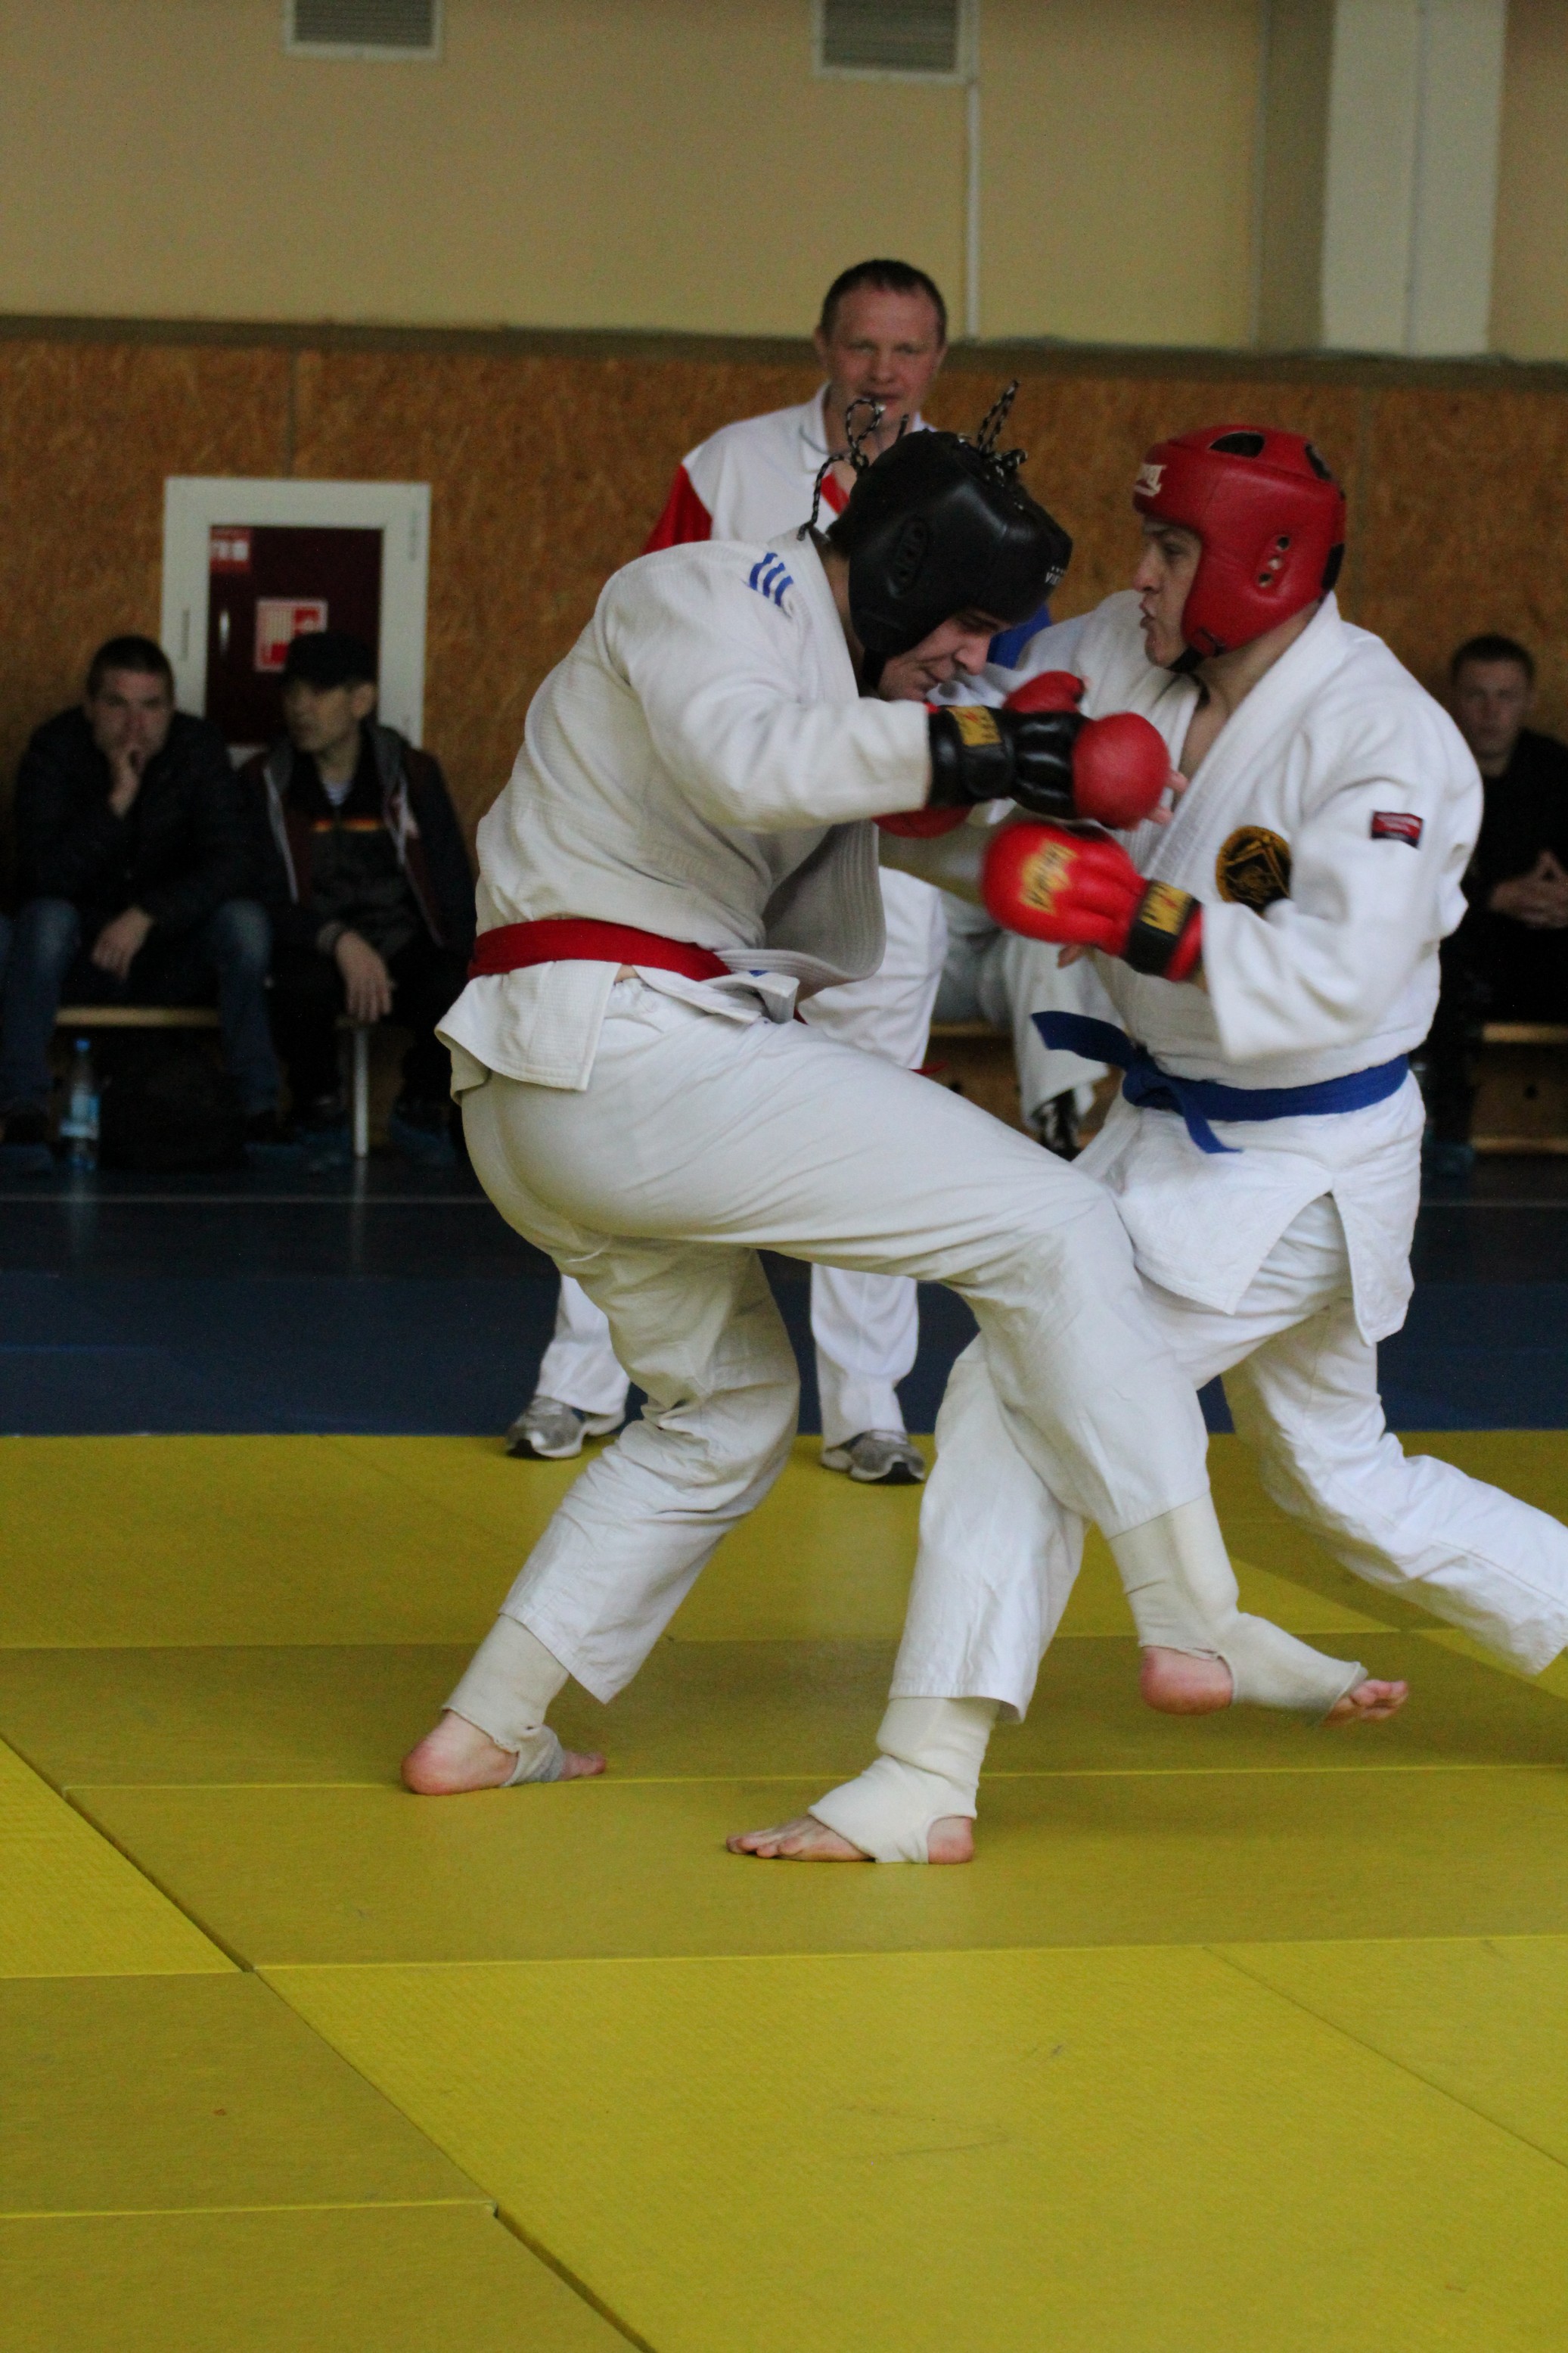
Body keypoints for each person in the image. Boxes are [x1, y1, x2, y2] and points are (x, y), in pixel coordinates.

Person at [402, 406, 1403, 1859]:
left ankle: (489, 1723)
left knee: (725, 1412)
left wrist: (1039, 827)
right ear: (899, 572)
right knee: (1058, 1224)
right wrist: (995, 738)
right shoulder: (707, 592)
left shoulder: (835, 699)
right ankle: (1193, 1613)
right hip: (623, 1046)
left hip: (550, 1095)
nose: (969, 659)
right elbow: (756, 760)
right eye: (966, 630)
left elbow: (891, 814)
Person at [783, 424, 1568, 1863]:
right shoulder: (1124, 648)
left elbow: (1340, 972)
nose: (1137, 575)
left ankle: (925, 1771)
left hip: (1297, 1161)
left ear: (1262, 563)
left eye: (1169, 550)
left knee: (1017, 1390)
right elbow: (982, 736)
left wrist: (1133, 917)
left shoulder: (1381, 737)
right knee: (1341, 1478)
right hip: (1167, 1126)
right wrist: (962, 766)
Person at [510, 261, 995, 1482]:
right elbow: (652, 622)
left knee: (876, 1109)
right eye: (863, 346)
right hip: (719, 836)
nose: (882, 372)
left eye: (907, 350)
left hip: (880, 831)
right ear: (821, 346)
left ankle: (868, 1403)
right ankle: (577, 1382)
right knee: (640, 1099)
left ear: (937, 362)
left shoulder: (966, 489)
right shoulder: (727, 466)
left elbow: (975, 673)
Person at [0, 635, 278, 1149]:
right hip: (79, 955)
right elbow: (39, 876)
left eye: (151, 707)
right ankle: (22, 1107)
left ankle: (258, 1106)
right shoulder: (55, 749)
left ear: (171, 709)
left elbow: (235, 863)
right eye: (117, 705)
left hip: (171, 952)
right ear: (89, 706)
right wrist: (115, 805)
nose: (135, 725)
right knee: (44, 919)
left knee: (244, 922)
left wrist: (148, 914)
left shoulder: (197, 748)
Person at [244, 630, 475, 1161]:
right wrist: (338, 940)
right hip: (315, 942)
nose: (300, 707)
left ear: (361, 700)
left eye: (318, 692)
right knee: (300, 985)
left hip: (400, 939)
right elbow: (262, 895)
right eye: (292, 692)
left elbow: (451, 885)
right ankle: (318, 1107)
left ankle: (422, 1102)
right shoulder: (264, 780)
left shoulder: (412, 774)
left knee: (457, 982)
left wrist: (466, 957)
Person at [1421, 635, 1568, 1173]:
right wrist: (1494, 897)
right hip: (1468, 950)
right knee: (1436, 955)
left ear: (1529, 700)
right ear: (1453, 699)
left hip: (1546, 945)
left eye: (1505, 696)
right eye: (1476, 695)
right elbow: (1403, 882)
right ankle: (1448, 1129)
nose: (1490, 712)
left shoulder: (1555, 769)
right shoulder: (1426, 771)